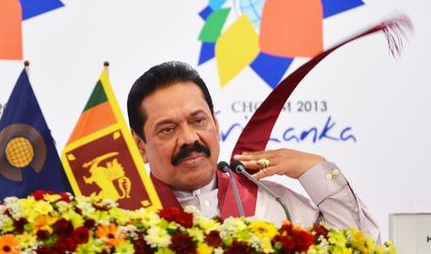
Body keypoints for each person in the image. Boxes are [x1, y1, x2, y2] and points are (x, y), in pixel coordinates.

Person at [127, 61, 380, 241]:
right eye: (168, 130)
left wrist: (314, 168)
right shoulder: (124, 220)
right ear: (141, 146)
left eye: (198, 120)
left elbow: (357, 246)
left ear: (216, 124)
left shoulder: (274, 204)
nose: (189, 138)